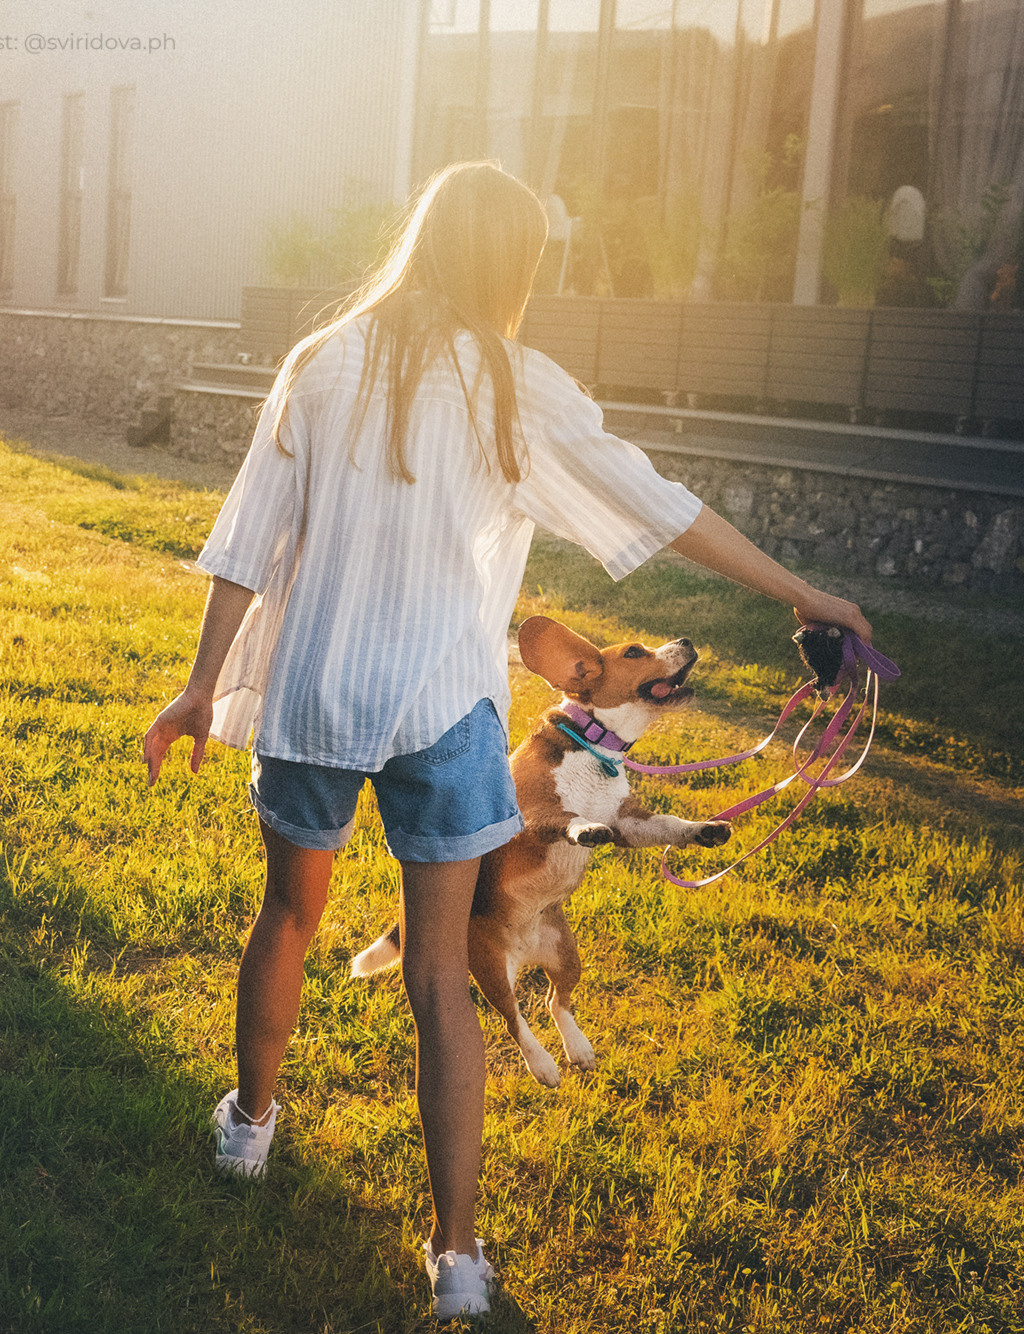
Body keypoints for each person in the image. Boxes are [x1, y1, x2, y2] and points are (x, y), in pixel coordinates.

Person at [140, 161, 870, 1320]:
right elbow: (657, 502)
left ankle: (250, 1123)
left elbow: (245, 539)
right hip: (443, 709)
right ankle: (458, 1258)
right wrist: (800, 592)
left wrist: (194, 687)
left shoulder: (318, 362)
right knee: (438, 975)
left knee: (290, 912)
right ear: (516, 265)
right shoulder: (512, 386)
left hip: (317, 694)